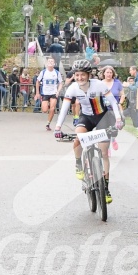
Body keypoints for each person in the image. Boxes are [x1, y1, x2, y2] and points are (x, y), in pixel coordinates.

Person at [54, 59, 123, 204]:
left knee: (104, 153)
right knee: (78, 138)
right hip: (86, 118)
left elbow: (113, 102)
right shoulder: (73, 88)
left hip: (102, 118)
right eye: (77, 75)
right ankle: (79, 163)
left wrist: (117, 119)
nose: (79, 78)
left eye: (82, 75)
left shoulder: (99, 85)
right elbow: (65, 108)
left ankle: (105, 187)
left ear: (88, 74)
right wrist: (58, 127)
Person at [101, 65, 125, 150]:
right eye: (107, 72)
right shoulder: (100, 83)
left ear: (113, 74)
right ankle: (107, 149)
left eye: (110, 72)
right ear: (104, 73)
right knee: (104, 128)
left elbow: (122, 95)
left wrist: (120, 103)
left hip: (114, 109)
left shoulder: (117, 83)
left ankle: (113, 139)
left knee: (114, 128)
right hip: (103, 109)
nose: (109, 74)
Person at [35, 58, 63, 130]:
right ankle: (47, 104)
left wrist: (58, 91)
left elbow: (61, 83)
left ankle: (48, 123)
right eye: (49, 61)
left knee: (52, 108)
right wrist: (37, 93)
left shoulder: (57, 73)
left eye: (52, 61)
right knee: (44, 110)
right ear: (47, 64)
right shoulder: (43, 72)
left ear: (54, 64)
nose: (50, 62)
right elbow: (37, 82)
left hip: (53, 92)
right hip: (45, 93)